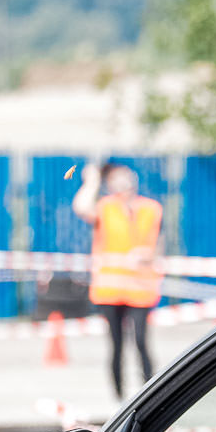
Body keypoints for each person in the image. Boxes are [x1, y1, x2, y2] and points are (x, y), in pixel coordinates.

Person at [72, 162, 163, 398]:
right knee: (116, 345)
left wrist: (146, 255)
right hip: (110, 290)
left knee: (141, 341)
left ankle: (151, 393)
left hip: (141, 288)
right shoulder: (106, 207)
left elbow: (159, 245)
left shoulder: (151, 208)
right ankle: (119, 397)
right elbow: (81, 207)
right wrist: (91, 182)